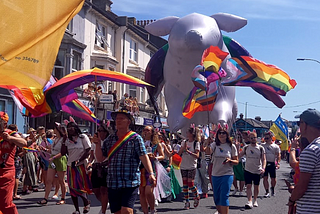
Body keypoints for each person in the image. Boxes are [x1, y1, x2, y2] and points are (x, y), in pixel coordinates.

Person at [94, 108, 156, 214]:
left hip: (130, 182)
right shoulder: (110, 139)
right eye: (117, 118)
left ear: (128, 122)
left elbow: (144, 157)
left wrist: (151, 173)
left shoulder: (136, 139)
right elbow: (100, 158)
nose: (118, 120)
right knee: (118, 212)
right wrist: (98, 144)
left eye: (121, 118)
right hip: (113, 182)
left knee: (126, 211)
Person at [289, 108, 320, 213]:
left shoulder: (311, 150)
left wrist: (292, 199)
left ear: (305, 125)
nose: (299, 126)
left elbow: (302, 187)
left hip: (311, 209)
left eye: (299, 123)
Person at [61, 120, 92, 214]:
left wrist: (79, 160)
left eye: (72, 127)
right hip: (70, 166)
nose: (70, 129)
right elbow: (63, 153)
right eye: (68, 128)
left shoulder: (83, 137)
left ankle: (86, 202)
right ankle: (77, 209)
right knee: (72, 187)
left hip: (80, 166)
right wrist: (63, 140)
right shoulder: (67, 140)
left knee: (79, 186)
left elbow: (88, 150)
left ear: (76, 128)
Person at [0, 112, 27, 214]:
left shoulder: (10, 134)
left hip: (6, 174)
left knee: (6, 204)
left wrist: (10, 138)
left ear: (4, 124)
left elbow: (23, 143)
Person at [209, 126, 238, 214]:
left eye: (223, 133)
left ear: (227, 135)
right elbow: (207, 152)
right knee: (216, 197)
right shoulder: (214, 145)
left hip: (227, 174)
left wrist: (230, 160)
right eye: (220, 133)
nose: (221, 135)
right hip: (215, 174)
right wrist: (206, 143)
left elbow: (236, 161)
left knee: (224, 196)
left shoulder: (231, 146)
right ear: (217, 135)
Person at [37, 123, 67, 206]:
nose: (54, 130)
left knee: (61, 180)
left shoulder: (64, 140)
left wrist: (54, 157)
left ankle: (63, 198)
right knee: (49, 179)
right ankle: (45, 198)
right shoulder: (55, 139)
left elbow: (63, 152)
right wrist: (45, 149)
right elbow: (51, 150)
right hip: (52, 159)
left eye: (55, 129)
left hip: (60, 159)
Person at [140, 126, 164, 214]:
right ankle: (145, 212)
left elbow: (162, 156)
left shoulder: (157, 144)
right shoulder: (140, 142)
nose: (145, 132)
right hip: (141, 169)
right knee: (142, 192)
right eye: (144, 130)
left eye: (148, 130)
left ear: (152, 132)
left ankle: (153, 209)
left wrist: (155, 157)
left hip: (152, 169)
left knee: (148, 192)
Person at [239, 131, 266, 209]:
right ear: (249, 139)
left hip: (257, 170)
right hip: (248, 170)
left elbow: (264, 159)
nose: (253, 139)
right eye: (251, 138)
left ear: (256, 138)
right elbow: (239, 155)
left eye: (254, 137)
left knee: (256, 186)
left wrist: (263, 168)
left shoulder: (261, 148)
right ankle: (249, 201)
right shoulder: (246, 147)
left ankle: (255, 200)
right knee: (248, 186)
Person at [89, 120, 110, 214]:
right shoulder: (95, 142)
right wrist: (89, 162)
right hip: (96, 167)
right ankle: (104, 203)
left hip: (106, 167)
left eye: (102, 130)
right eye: (98, 130)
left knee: (104, 189)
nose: (100, 132)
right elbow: (92, 156)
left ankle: (103, 210)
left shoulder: (108, 142)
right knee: (95, 190)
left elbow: (104, 157)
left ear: (106, 132)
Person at [178, 127, 201, 210]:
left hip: (192, 166)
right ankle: (187, 202)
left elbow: (197, 156)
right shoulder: (184, 142)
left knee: (190, 183)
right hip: (184, 165)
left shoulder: (196, 143)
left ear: (192, 134)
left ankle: (196, 195)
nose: (186, 133)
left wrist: (188, 151)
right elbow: (179, 152)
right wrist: (181, 149)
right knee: (185, 185)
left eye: (188, 132)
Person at [261, 131, 281, 197]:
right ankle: (267, 191)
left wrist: (278, 163)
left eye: (267, 138)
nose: (266, 139)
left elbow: (278, 155)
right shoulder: (262, 145)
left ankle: (272, 188)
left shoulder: (275, 146)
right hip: (264, 163)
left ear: (271, 138)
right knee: (265, 178)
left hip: (272, 163)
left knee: (273, 178)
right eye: (265, 138)